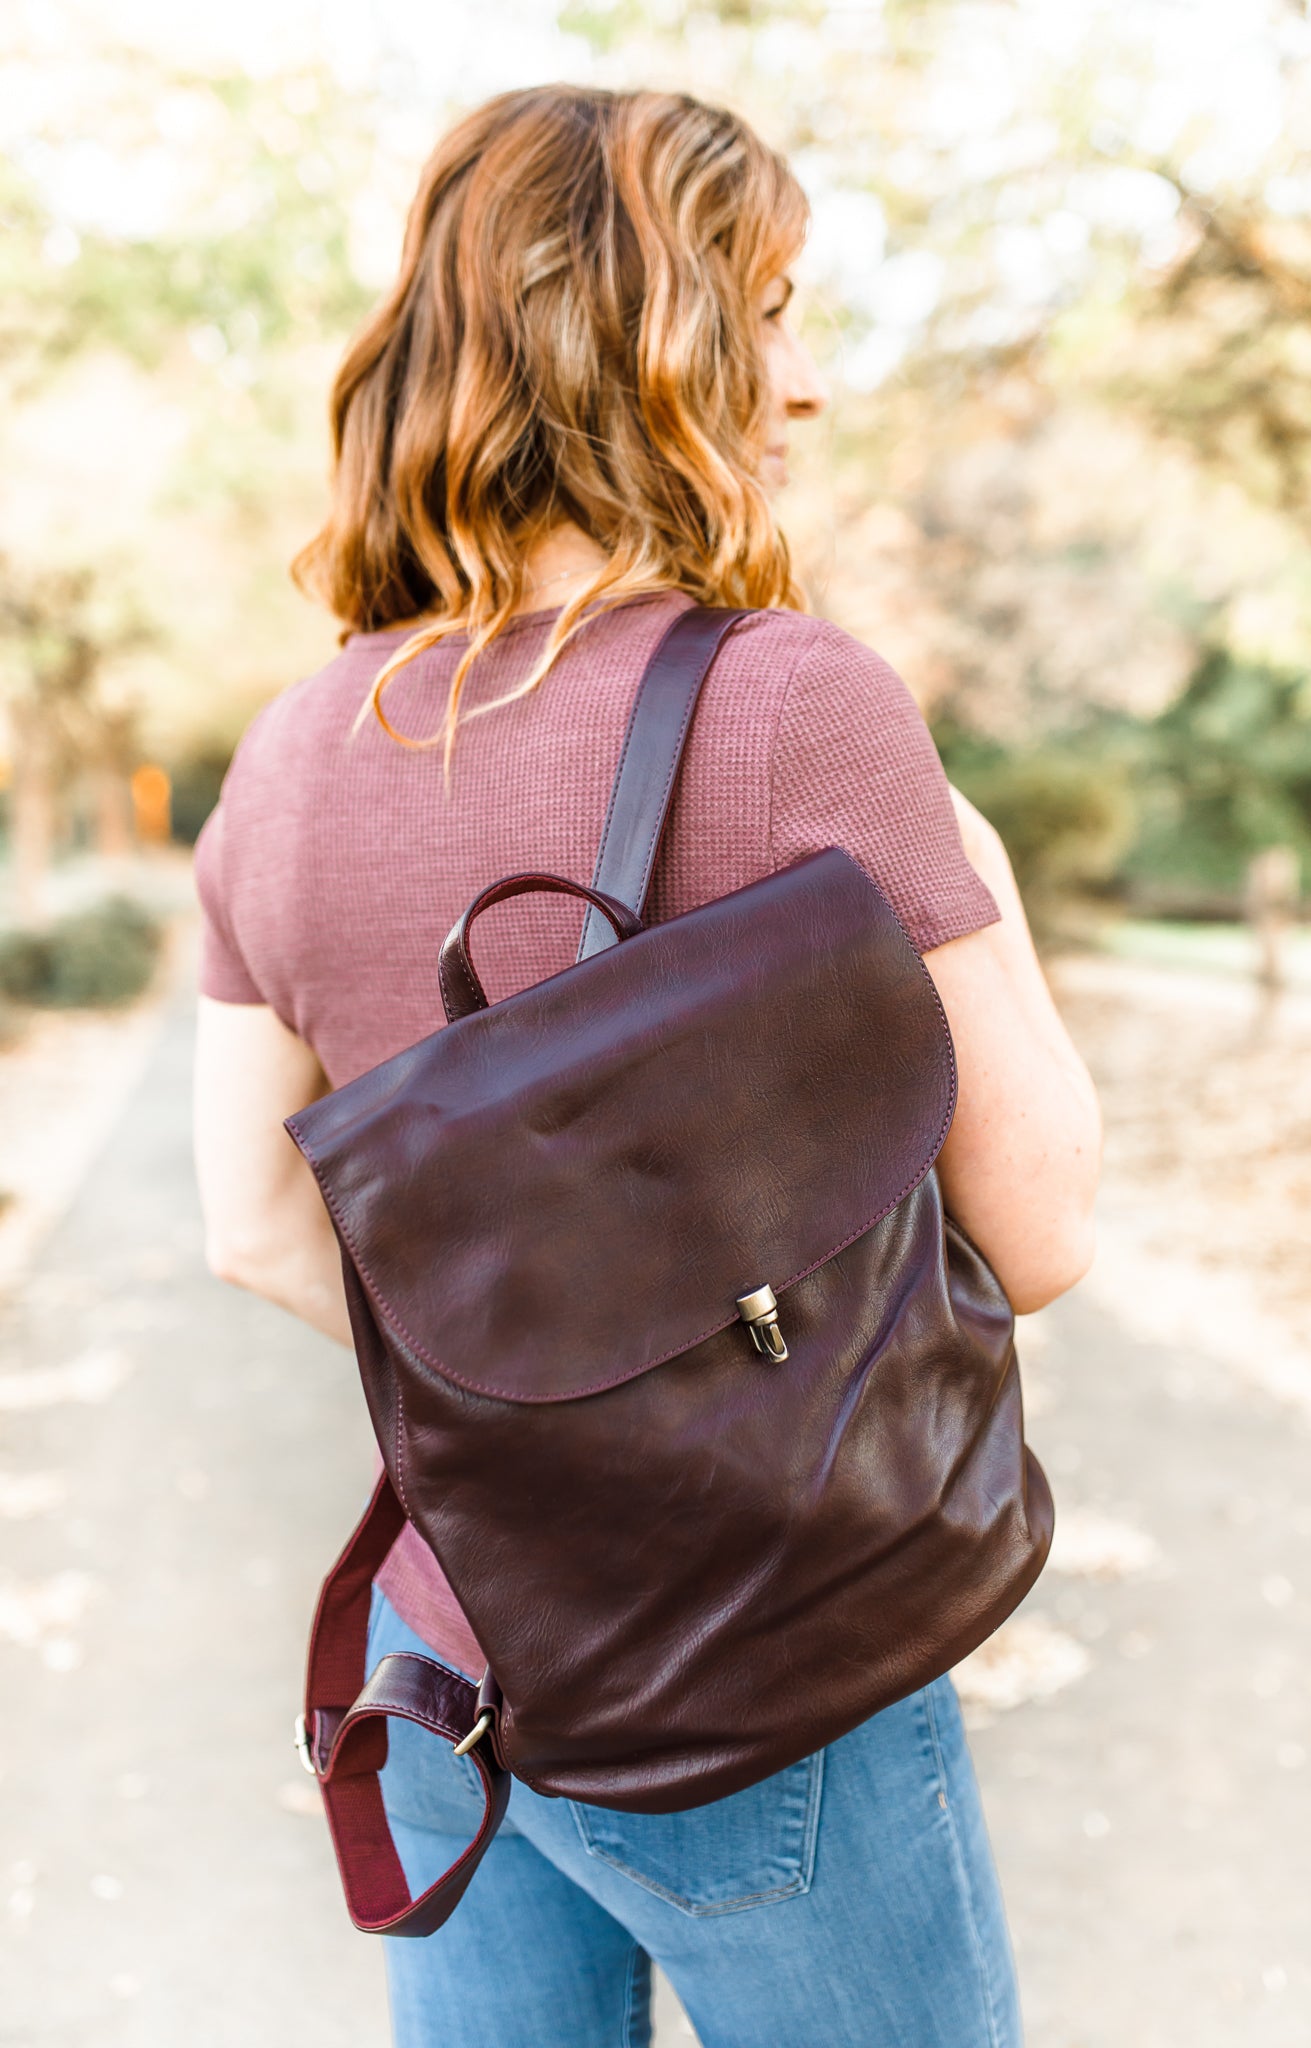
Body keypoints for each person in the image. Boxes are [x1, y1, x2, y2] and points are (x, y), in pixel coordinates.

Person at [192, 84, 1101, 2048]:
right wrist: (985, 873)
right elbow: (1035, 1236)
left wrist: (530, 1395)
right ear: (657, 341)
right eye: (775, 313)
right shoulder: (794, 706)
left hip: (446, 1674)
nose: (814, 384)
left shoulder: (287, 754)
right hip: (765, 1681)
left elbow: (253, 1228)